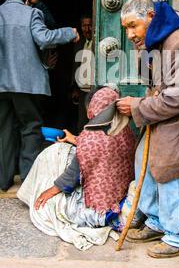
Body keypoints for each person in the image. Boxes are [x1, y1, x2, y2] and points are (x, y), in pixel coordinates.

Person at [116, 0, 179, 258]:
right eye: (126, 28)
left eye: (133, 26)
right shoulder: (158, 31)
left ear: (150, 16)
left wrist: (137, 107)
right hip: (160, 106)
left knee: (173, 166)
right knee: (144, 161)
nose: (129, 34)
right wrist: (141, 47)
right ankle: (158, 221)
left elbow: (178, 98)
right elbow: (148, 77)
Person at [17, 87, 136, 249]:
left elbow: (71, 177)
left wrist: (49, 191)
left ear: (92, 109)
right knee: (70, 151)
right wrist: (75, 139)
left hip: (94, 212)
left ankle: (29, 193)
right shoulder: (126, 131)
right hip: (116, 199)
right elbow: (104, 148)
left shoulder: (91, 138)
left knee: (55, 152)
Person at [0, 0, 80, 191]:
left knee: (4, 130)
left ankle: (3, 180)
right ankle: (27, 179)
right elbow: (44, 39)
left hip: (1, 85)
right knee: (30, 128)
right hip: (25, 84)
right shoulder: (32, 13)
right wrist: (69, 33)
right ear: (27, 0)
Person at [72, 15, 93, 132]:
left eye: (90, 25)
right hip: (82, 91)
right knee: (82, 123)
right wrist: (74, 88)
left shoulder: (99, 43)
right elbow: (75, 66)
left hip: (96, 90)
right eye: (84, 26)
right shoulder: (80, 43)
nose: (87, 29)